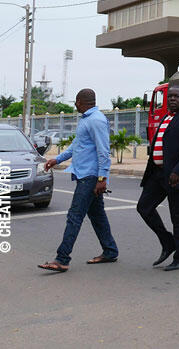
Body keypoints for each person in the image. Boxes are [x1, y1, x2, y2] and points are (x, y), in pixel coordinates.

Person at [38, 89, 118, 273]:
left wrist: (102, 178)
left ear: (80, 102)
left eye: (76, 102)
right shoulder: (86, 119)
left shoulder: (96, 120)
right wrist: (57, 159)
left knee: (74, 216)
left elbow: (103, 151)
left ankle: (62, 259)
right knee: (97, 215)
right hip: (84, 174)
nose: (75, 105)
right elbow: (77, 145)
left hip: (90, 176)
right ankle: (110, 250)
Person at [137, 84, 179, 271]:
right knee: (144, 207)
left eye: (177, 96)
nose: (172, 99)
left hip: (176, 176)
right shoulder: (166, 117)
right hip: (158, 174)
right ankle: (168, 241)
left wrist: (178, 171)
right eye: (170, 96)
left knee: (178, 217)